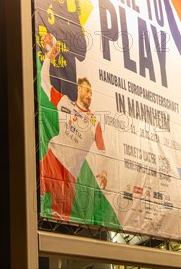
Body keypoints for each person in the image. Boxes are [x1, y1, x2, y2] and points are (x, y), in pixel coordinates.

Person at [39, 35, 106, 221]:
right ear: (78, 89)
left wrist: (104, 170)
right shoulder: (66, 103)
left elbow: (102, 151)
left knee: (62, 222)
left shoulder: (95, 123)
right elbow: (45, 84)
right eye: (87, 90)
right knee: (29, 196)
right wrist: (48, 58)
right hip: (52, 160)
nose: (89, 94)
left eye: (91, 92)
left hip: (70, 175)